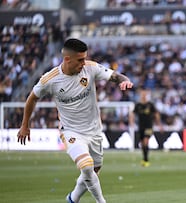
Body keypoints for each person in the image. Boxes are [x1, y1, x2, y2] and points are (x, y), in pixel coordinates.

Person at [17, 38, 133, 203]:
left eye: (85, 58)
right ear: (67, 59)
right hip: (71, 131)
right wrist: (24, 125)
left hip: (94, 130)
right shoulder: (50, 79)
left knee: (94, 169)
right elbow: (32, 98)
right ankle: (102, 201)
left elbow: (114, 75)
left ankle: (73, 198)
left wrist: (125, 81)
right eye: (80, 60)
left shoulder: (90, 68)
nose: (83, 63)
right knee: (86, 166)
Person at [129, 88, 162, 167]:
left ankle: (146, 160)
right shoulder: (138, 105)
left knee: (146, 141)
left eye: (144, 94)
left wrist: (159, 124)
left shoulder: (150, 105)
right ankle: (144, 158)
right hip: (141, 127)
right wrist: (131, 122)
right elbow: (132, 114)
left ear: (146, 95)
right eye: (142, 94)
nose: (143, 96)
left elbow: (156, 114)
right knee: (143, 144)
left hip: (149, 126)